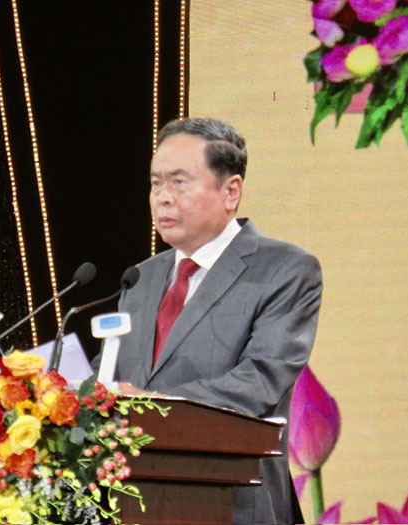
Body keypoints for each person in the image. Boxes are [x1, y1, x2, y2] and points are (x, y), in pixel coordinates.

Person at [108, 117, 322, 524]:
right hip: (136, 502)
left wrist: (150, 405)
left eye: (179, 182)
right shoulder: (140, 279)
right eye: (155, 183)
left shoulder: (284, 269)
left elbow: (260, 380)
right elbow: (114, 380)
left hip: (234, 502)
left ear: (231, 191)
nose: (162, 198)